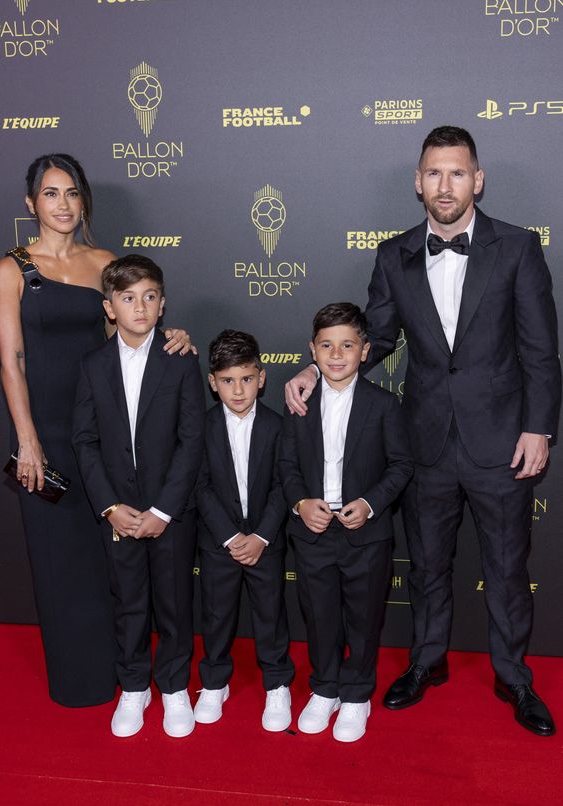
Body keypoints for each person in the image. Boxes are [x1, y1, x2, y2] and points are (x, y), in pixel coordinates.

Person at [285, 127, 561, 737]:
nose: (445, 185)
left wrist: (539, 427)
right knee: (428, 566)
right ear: (418, 182)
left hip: (502, 440)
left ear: (477, 180)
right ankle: (426, 661)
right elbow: (376, 337)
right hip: (425, 440)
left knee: (507, 569)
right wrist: (313, 368)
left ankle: (515, 677)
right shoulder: (394, 255)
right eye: (434, 173)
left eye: (457, 173)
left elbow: (542, 350)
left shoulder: (518, 247)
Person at [0, 154, 190, 707]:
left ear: (84, 201)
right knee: (59, 562)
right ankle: (77, 681)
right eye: (50, 194)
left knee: (111, 560)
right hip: (44, 436)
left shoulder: (104, 262)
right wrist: (27, 441)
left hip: (101, 434)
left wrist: (172, 339)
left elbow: (131, 331)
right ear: (31, 203)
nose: (63, 205)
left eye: (72, 193)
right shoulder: (11, 270)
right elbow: (11, 363)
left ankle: (126, 676)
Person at [72, 255, 205, 738]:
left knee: (173, 602)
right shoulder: (93, 365)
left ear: (163, 304)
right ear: (110, 308)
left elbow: (192, 439)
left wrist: (164, 509)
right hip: (119, 513)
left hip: (171, 511)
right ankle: (133, 686)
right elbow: (84, 440)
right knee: (128, 602)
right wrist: (109, 506)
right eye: (128, 298)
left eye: (150, 297)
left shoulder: (181, 359)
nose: (140, 307)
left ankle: (173, 686)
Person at [279, 303, 413, 742]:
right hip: (313, 531)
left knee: (364, 617)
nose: (336, 355)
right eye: (327, 346)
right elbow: (286, 465)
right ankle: (325, 688)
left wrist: (370, 504)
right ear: (312, 350)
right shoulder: (298, 402)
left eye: (348, 346)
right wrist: (301, 503)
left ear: (365, 350)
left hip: (366, 534)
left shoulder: (384, 404)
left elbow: (400, 465)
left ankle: (356, 695)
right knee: (319, 617)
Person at [195, 330, 295, 731]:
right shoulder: (200, 427)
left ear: (262, 377)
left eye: (247, 379)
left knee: (271, 613)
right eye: (228, 380)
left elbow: (284, 485)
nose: (238, 390)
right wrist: (230, 537)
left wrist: (261, 536)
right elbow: (199, 485)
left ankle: (277, 683)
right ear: (212, 382)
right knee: (216, 613)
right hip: (218, 542)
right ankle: (214, 681)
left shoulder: (279, 426)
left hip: (265, 542)